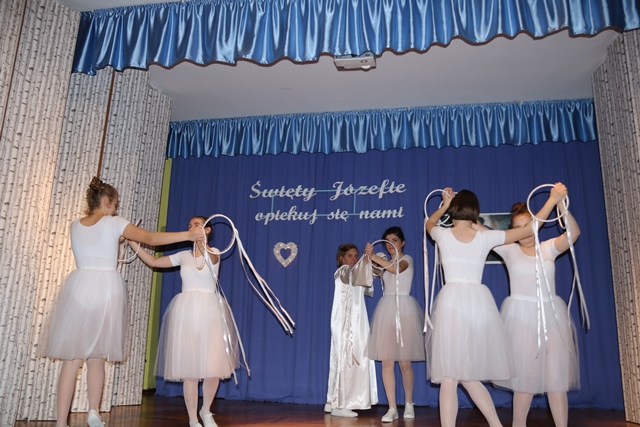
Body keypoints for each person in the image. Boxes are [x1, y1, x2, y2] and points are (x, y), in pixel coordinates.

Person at [39, 177, 203, 427]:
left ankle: (63, 422)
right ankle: (93, 413)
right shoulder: (115, 222)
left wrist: (117, 239)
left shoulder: (76, 225)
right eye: (115, 205)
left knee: (72, 360)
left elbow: (96, 243)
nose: (116, 210)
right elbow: (151, 238)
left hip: (79, 289)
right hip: (104, 289)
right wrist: (188, 235)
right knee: (97, 356)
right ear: (106, 202)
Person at [425, 188, 533, 427]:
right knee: (466, 376)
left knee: (450, 377)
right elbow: (527, 230)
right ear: (475, 211)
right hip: (476, 306)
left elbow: (429, 223)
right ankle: (496, 424)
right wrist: (552, 202)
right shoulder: (486, 238)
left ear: (454, 210)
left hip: (452, 305)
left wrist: (444, 204)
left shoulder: (442, 234)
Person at [131, 216, 240, 427]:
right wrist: (133, 242)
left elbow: (212, 258)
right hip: (187, 315)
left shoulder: (214, 252)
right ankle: (192, 419)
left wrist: (200, 241)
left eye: (196, 225)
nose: (192, 228)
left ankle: (206, 411)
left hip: (210, 313)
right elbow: (154, 262)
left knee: (213, 368)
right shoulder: (183, 256)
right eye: (189, 225)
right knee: (190, 371)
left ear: (207, 230)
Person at [491, 183, 580, 427]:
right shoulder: (508, 250)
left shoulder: (548, 248)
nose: (526, 232)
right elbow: (479, 230)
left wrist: (560, 203)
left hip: (551, 318)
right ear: (513, 231)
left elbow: (573, 233)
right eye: (519, 228)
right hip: (521, 322)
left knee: (556, 381)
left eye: (528, 226)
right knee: (524, 383)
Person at [364, 227, 425, 423]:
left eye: (395, 240)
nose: (391, 244)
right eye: (388, 241)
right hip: (386, 311)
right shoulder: (384, 264)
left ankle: (409, 403)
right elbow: (375, 274)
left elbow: (396, 269)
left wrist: (374, 257)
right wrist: (369, 260)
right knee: (387, 361)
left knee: (405, 362)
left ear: (402, 242)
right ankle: (392, 408)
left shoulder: (407, 259)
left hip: (405, 311)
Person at [324, 244, 378, 418]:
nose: (353, 259)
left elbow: (367, 284)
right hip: (347, 323)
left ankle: (332, 400)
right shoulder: (343, 271)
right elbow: (355, 275)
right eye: (350, 256)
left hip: (354, 321)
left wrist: (371, 264)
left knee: (341, 359)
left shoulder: (355, 272)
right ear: (342, 258)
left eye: (356, 256)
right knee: (347, 358)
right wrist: (366, 261)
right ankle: (342, 404)